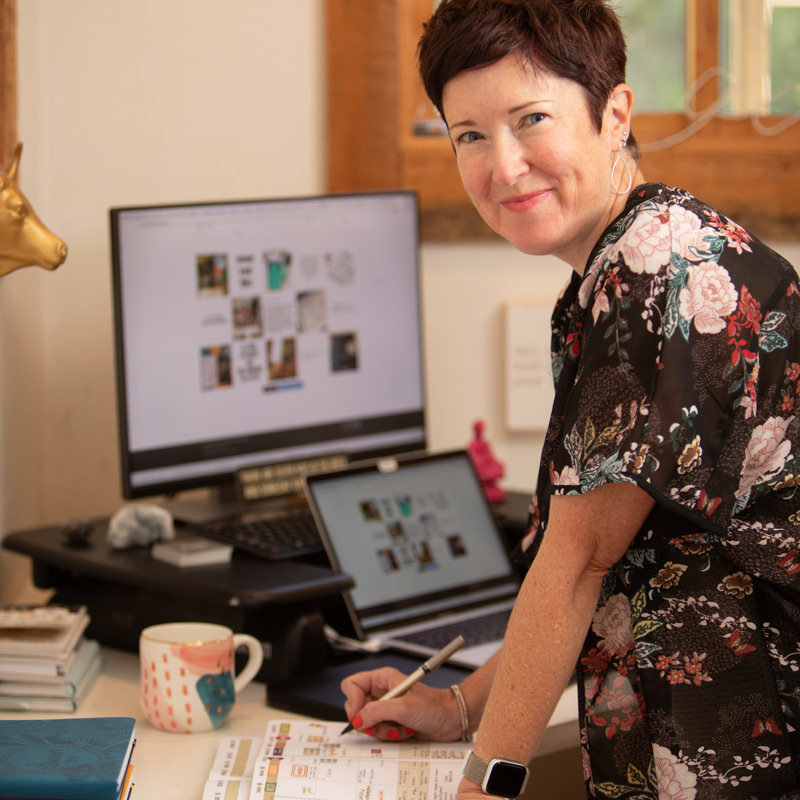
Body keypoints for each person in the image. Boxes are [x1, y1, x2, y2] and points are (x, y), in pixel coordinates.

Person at [339, 1, 800, 798]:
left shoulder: (661, 269)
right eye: (470, 136)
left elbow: (579, 559)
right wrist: (458, 706)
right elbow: (603, 555)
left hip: (751, 742)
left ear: (614, 114)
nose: (503, 165)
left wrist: (485, 785)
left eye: (532, 119)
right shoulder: (623, 264)